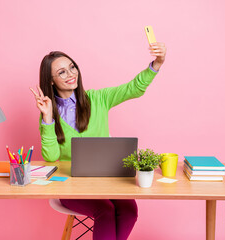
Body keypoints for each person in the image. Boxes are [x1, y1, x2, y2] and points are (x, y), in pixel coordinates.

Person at [30, 42, 167, 240]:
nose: (70, 74)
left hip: (106, 180)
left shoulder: (98, 98)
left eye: (72, 67)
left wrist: (157, 63)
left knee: (129, 210)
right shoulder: (49, 114)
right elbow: (50, 157)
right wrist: (47, 118)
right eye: (61, 72)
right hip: (71, 185)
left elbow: (134, 88)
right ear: (50, 81)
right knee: (105, 210)